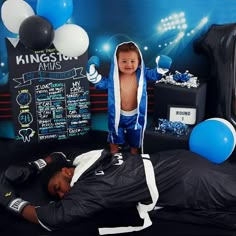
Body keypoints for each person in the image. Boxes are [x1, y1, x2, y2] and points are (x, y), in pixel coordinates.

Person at [1, 148, 236, 234]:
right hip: (180, 160)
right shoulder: (92, 157)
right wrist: (34, 166)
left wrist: (8, 198)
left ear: (67, 172)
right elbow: (62, 154)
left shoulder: (91, 187)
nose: (63, 196)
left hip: (189, 182)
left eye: (58, 189)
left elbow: (53, 217)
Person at [86, 42, 172, 154]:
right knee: (114, 133)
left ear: (139, 61)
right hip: (118, 114)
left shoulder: (142, 74)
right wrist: (92, 71)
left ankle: (134, 155)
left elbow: (154, 74)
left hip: (135, 115)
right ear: (116, 62)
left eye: (132, 61)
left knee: (135, 135)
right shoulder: (114, 77)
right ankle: (114, 154)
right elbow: (101, 83)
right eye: (124, 61)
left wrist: (162, 66)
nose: (129, 65)